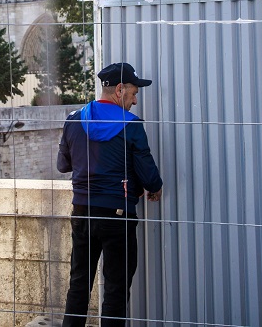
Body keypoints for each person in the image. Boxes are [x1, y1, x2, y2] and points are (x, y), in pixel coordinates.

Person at [58, 61, 164, 327]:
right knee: (116, 289)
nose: (135, 101)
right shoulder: (131, 125)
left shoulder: (74, 120)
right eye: (134, 93)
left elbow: (62, 165)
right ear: (119, 90)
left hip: (82, 212)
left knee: (79, 283)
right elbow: (149, 175)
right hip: (117, 216)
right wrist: (154, 187)